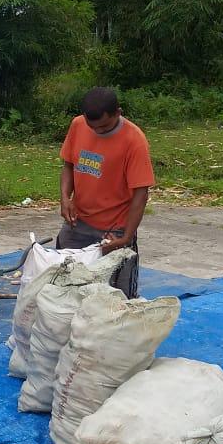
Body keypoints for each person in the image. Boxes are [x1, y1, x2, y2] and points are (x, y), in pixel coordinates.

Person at [58, 87, 155, 298]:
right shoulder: (78, 125)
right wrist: (65, 198)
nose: (98, 132)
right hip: (78, 223)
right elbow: (68, 164)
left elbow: (141, 193)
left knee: (117, 297)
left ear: (117, 113)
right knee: (64, 286)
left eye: (104, 126)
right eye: (93, 127)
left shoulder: (134, 141)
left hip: (114, 230)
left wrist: (127, 236)